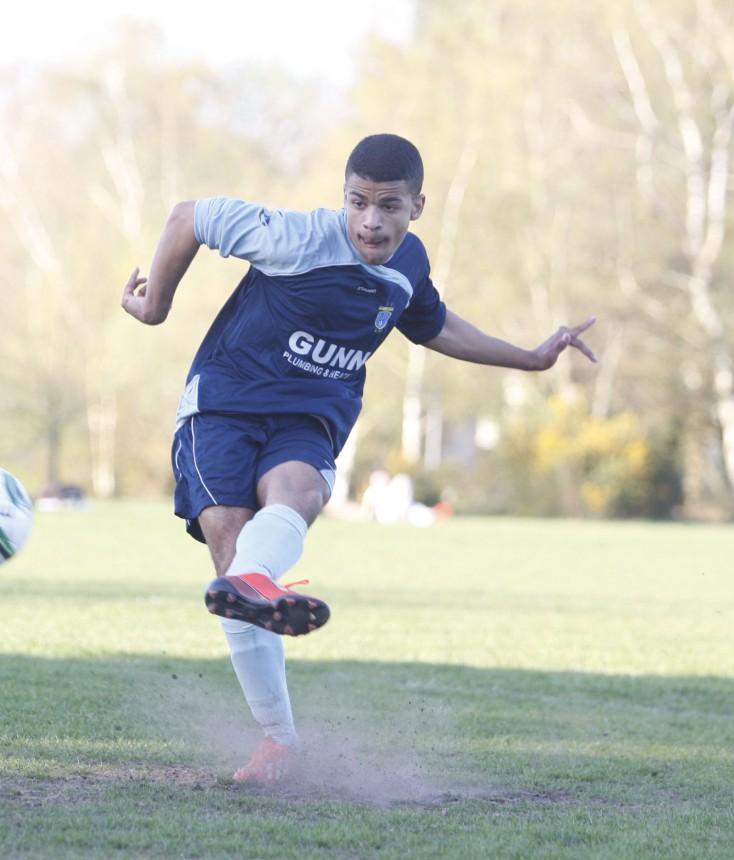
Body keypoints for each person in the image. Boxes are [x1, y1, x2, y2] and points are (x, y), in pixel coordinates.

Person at [120, 134, 597, 784]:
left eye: (389, 206)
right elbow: (186, 217)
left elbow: (434, 325)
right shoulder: (297, 237)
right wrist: (154, 306)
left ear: (417, 206)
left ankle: (257, 588)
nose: (371, 221)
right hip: (225, 405)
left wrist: (531, 357)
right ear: (343, 197)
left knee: (300, 496)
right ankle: (280, 740)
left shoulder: (410, 265)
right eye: (358, 202)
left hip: (311, 413)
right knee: (233, 557)